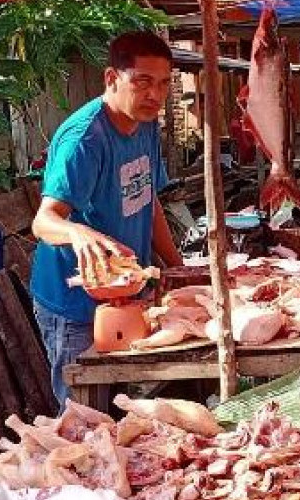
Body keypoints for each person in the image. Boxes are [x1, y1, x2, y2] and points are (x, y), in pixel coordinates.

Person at [30, 31, 183, 408]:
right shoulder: (85, 140)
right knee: (83, 418)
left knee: (118, 409)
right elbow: (44, 221)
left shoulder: (146, 123)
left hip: (126, 296)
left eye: (163, 84)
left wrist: (178, 268)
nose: (155, 95)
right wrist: (78, 232)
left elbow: (148, 200)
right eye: (143, 82)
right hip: (74, 305)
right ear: (112, 79)